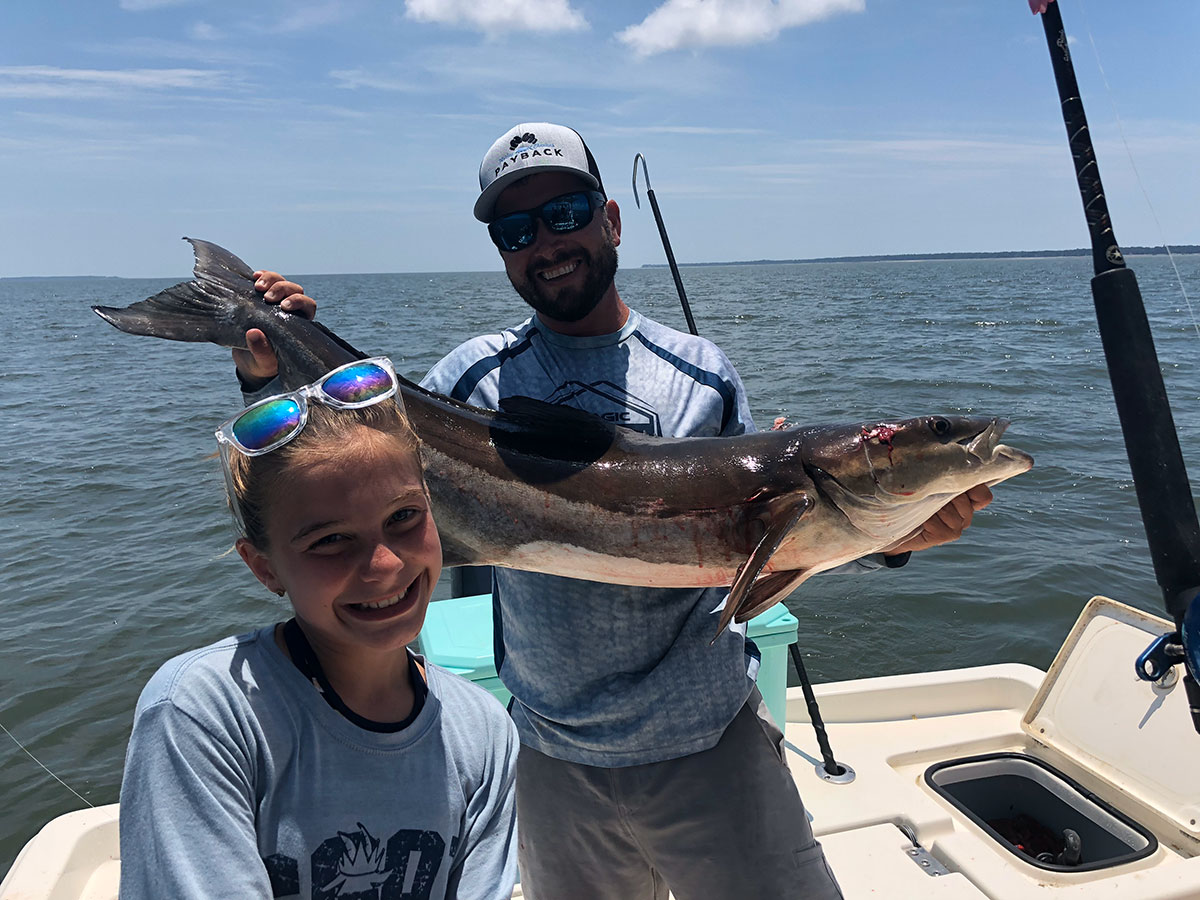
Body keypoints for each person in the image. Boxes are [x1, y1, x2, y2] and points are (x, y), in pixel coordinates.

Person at [236, 124, 991, 899]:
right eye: (516, 229)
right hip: (552, 758)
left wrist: (895, 537)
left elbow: (757, 538)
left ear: (612, 220)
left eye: (565, 212)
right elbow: (350, 473)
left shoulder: (701, 374)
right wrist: (281, 362)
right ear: (502, 250)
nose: (546, 243)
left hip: (710, 741)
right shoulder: (469, 380)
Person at [118, 358, 519, 900]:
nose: (384, 565)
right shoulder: (204, 712)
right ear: (264, 567)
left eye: (404, 517)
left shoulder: (485, 731)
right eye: (329, 541)